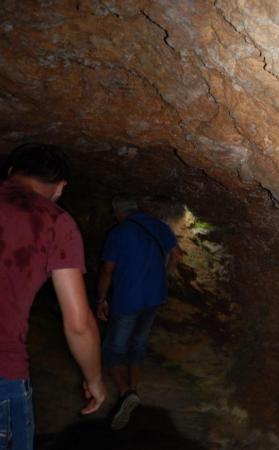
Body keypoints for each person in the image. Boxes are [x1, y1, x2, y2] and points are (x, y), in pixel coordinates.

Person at [0, 143, 106, 450]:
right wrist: (94, 379)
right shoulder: (55, 222)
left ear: (10, 173)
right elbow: (78, 323)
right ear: (60, 187)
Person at [96, 194, 180, 431]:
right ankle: (135, 389)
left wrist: (101, 299)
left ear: (117, 212)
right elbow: (177, 255)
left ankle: (126, 392)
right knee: (138, 343)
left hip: (127, 298)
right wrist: (163, 277)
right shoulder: (159, 226)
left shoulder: (118, 233)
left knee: (113, 349)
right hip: (154, 297)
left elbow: (107, 269)